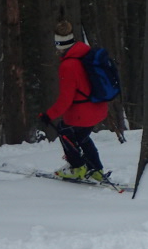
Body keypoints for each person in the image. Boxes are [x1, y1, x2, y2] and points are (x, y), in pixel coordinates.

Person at [40, 20, 108, 181]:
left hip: (81, 113)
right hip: (98, 108)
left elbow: (65, 99)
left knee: (65, 132)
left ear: (58, 45)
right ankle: (96, 170)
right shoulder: (87, 53)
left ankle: (77, 168)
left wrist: (48, 115)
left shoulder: (68, 65)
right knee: (82, 137)